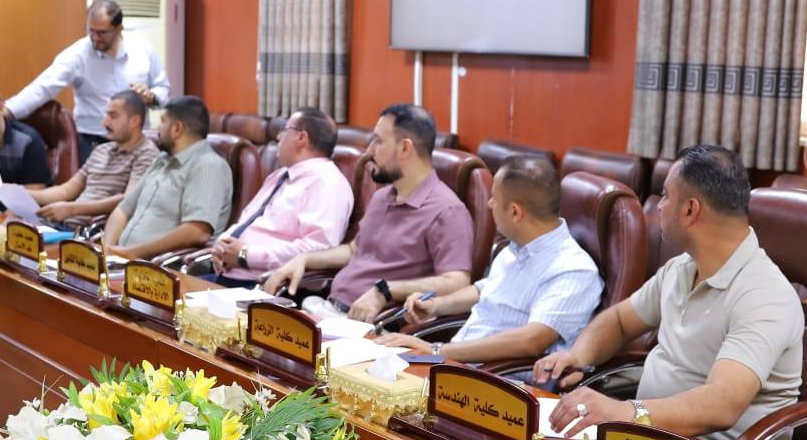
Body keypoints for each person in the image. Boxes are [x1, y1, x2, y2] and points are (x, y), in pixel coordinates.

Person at [541, 145, 803, 440]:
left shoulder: (765, 295)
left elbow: (723, 404)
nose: (660, 206)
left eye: (665, 196)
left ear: (690, 210)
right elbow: (620, 321)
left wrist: (626, 411)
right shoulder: (681, 269)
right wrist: (578, 356)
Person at [377, 154, 602, 362]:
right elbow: (485, 289)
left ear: (515, 212)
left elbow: (531, 340)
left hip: (498, 381)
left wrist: (435, 351)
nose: (489, 204)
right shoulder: (516, 248)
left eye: (494, 197)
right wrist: (435, 306)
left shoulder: (572, 270)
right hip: (457, 364)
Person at [264, 104, 473, 322]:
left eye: (378, 141)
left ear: (405, 148)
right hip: (327, 309)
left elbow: (457, 282)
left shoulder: (447, 211)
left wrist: (386, 291)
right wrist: (305, 259)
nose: (369, 151)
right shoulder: (382, 196)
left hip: (372, 326)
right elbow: (354, 250)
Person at [7, 0, 171, 164]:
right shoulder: (77, 54)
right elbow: (43, 87)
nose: (94, 38)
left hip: (137, 142)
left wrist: (152, 96)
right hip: (92, 141)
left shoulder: (142, 49)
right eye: (90, 31)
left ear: (119, 29)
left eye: (102, 33)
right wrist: (9, 111)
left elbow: (163, 88)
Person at [207, 107, 353, 285]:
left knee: (183, 299)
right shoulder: (280, 176)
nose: (278, 137)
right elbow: (246, 221)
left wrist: (245, 255)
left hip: (260, 285)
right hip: (226, 273)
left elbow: (317, 249)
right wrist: (220, 246)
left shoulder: (327, 184)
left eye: (284, 130)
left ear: (301, 138)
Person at [101, 95, 230, 259]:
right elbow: (123, 209)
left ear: (177, 129)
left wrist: (130, 253)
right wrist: (108, 250)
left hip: (158, 267)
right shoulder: (162, 160)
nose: (157, 128)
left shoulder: (207, 166)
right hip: (120, 260)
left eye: (162, 121)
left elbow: (197, 232)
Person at [29, 90, 160, 225]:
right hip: (66, 226)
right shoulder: (101, 150)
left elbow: (129, 200)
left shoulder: (146, 153)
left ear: (134, 121)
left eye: (113, 116)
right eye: (106, 115)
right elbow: (65, 191)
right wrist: (23, 193)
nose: (105, 122)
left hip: (97, 232)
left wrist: (72, 209)